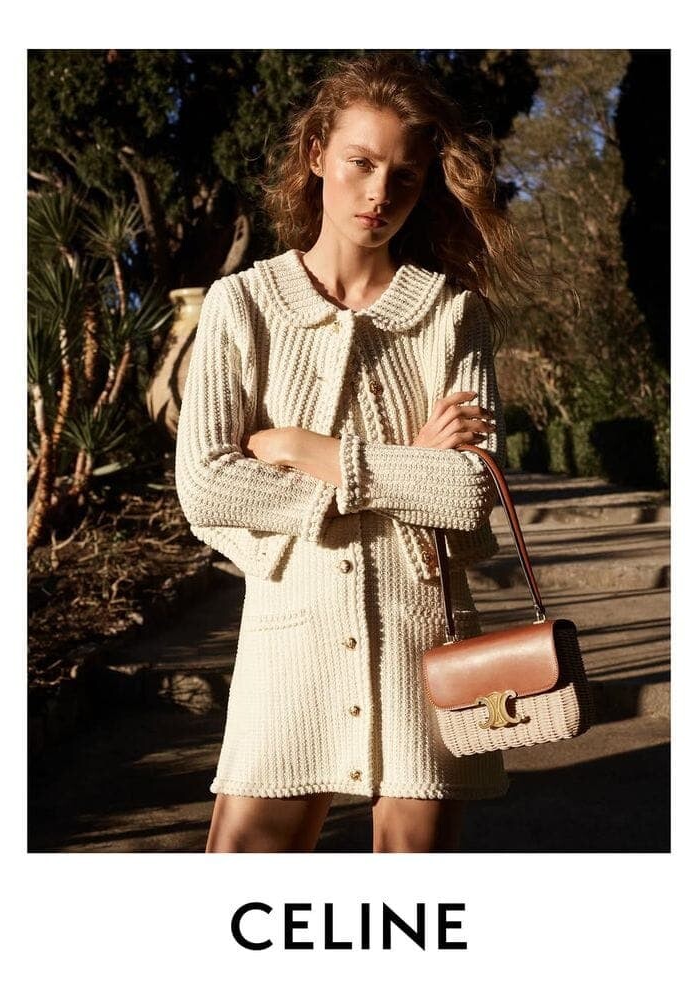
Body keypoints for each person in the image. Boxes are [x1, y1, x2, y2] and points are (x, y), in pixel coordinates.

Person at [175, 52, 538, 853]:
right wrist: (406, 469)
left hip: (423, 640)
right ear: (317, 156)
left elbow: (468, 492)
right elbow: (206, 485)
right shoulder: (243, 305)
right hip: (289, 640)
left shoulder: (453, 315)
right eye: (360, 163)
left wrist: (301, 449)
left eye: (404, 175)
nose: (380, 193)